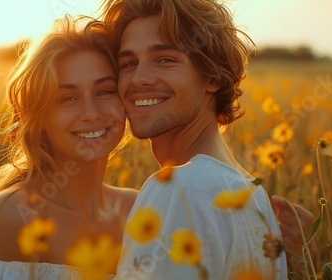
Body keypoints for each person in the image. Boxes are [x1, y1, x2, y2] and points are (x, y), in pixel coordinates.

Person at [0, 16, 138, 279]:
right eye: (68, 98)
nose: (91, 113)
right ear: (38, 116)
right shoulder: (13, 216)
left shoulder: (139, 208)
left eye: (105, 91)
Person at [100, 0, 288, 278]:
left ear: (212, 75)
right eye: (128, 63)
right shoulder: (257, 200)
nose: (139, 78)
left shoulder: (176, 191)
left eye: (165, 59)